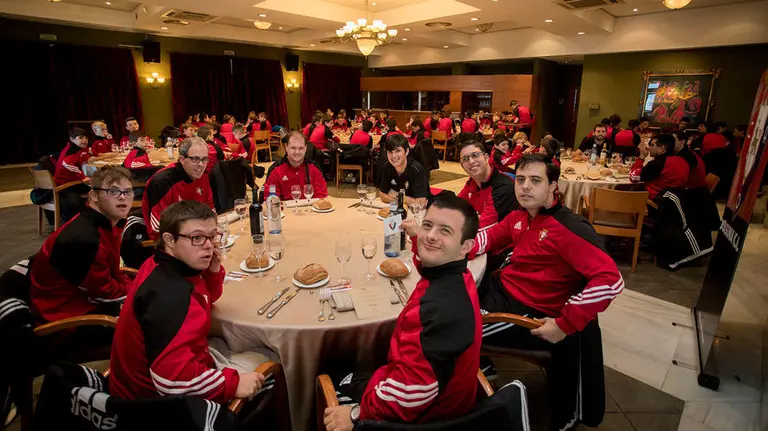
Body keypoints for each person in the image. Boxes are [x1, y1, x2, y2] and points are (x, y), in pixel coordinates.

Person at [467, 154, 623, 430]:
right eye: (522, 180)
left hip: (525, 312)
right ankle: (480, 370)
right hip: (502, 291)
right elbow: (491, 236)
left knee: (453, 328)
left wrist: (564, 324)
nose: (525, 187)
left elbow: (612, 281)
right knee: (452, 301)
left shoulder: (567, 228)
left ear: (553, 186)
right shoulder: (522, 216)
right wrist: (457, 246)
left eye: (535, 181)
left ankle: (466, 400)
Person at [323, 194, 482, 430]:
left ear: (466, 246)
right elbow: (429, 259)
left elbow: (412, 394)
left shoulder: (439, 308)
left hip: (423, 418)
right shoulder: (457, 277)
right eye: (428, 225)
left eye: (445, 231)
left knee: (327, 368)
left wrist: (357, 414)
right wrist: (419, 238)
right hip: (441, 394)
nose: (430, 236)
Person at [110, 200, 268, 404]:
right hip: (151, 404)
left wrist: (211, 273)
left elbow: (205, 299)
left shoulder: (162, 264)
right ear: (169, 240)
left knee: (243, 338)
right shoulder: (171, 295)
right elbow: (170, 381)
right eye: (197, 238)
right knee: (273, 356)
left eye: (212, 236)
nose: (209, 245)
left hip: (160, 371)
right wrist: (232, 383)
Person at [30, 166, 134, 324]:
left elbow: (110, 275)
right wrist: (140, 288)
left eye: (128, 191)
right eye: (112, 191)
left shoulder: (110, 223)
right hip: (65, 317)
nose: (122, 197)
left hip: (85, 299)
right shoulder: (86, 238)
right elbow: (103, 292)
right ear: (93, 196)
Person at [142, 137, 214, 239]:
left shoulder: (203, 175)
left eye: (204, 159)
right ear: (182, 160)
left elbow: (209, 207)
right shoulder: (162, 181)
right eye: (195, 159)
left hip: (197, 233)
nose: (201, 165)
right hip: (171, 240)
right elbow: (158, 228)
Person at [263, 131, 329, 201]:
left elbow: (321, 197)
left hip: (310, 210)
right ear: (286, 147)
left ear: (305, 148)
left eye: (301, 148)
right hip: (285, 211)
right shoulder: (275, 170)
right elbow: (271, 199)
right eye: (293, 148)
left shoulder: (314, 168)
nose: (297, 152)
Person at [630, 134, 690, 201]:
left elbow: (633, 177)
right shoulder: (682, 161)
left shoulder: (658, 163)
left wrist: (641, 157)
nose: (649, 148)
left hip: (654, 202)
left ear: (662, 148)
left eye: (652, 145)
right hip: (675, 201)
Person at [379, 134, 429, 206]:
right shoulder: (387, 166)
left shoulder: (416, 169)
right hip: (400, 209)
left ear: (407, 152)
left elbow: (420, 204)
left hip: (421, 213)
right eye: (390, 152)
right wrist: (403, 200)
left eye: (398, 151)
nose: (394, 156)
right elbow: (382, 196)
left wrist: (393, 193)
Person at [54, 128, 92, 221]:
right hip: (65, 185)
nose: (84, 140)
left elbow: (85, 156)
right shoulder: (71, 151)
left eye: (86, 138)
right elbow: (67, 163)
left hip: (72, 181)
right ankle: (87, 217)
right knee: (99, 187)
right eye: (81, 138)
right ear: (72, 139)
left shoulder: (79, 148)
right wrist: (82, 177)